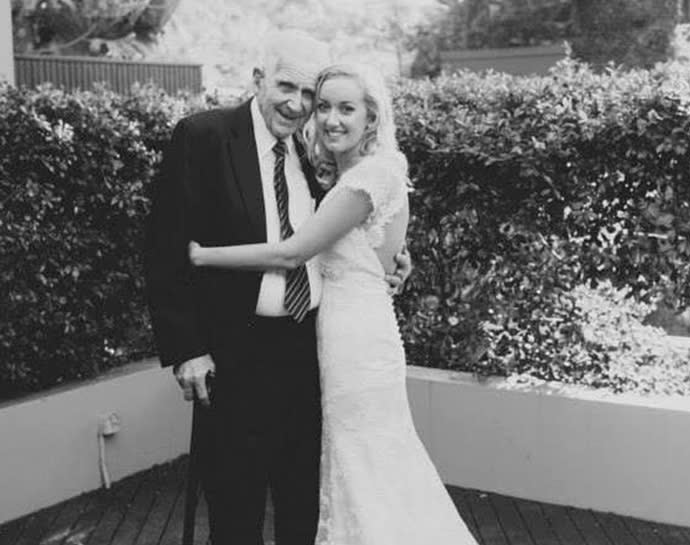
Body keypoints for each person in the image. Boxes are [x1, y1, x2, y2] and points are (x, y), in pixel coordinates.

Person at [188, 63, 478, 544]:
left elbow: (293, 251)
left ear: (372, 117)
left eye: (347, 108)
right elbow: (376, 250)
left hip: (356, 344)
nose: (330, 119)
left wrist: (203, 255)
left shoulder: (370, 176)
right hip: (338, 333)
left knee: (365, 463)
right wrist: (393, 262)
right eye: (322, 106)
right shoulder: (338, 173)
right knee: (356, 463)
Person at [143, 31, 411, 545]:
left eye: (310, 94)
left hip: (309, 351)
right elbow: (163, 250)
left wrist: (392, 258)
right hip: (233, 355)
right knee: (236, 509)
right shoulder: (204, 136)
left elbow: (346, 229)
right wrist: (188, 350)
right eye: (287, 86)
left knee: (304, 504)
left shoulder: (315, 152)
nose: (298, 104)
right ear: (259, 79)